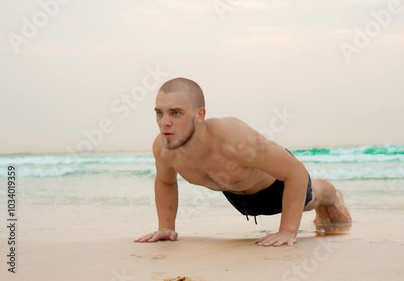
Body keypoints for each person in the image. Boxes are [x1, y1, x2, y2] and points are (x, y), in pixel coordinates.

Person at [135, 77, 352, 247]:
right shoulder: (164, 149)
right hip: (238, 197)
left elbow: (296, 173)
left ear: (200, 115)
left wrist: (287, 231)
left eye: (175, 113)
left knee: (314, 196)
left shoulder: (236, 139)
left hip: (278, 186)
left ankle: (333, 196)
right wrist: (165, 227)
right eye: (159, 113)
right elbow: (165, 182)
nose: (165, 122)